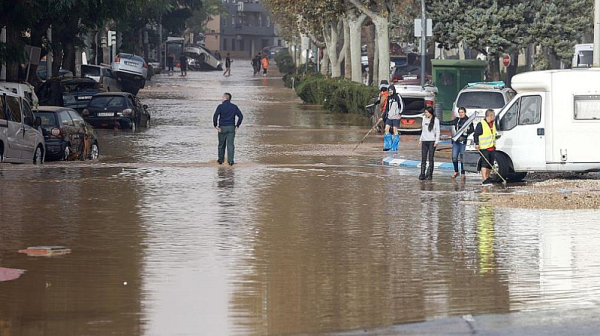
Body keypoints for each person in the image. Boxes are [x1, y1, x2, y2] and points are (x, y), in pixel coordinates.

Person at [440, 106, 474, 179]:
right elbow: (449, 122)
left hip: (463, 141)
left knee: (462, 158)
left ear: (465, 112)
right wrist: (439, 122)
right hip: (456, 141)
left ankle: (463, 173)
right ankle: (456, 171)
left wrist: (467, 131)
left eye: (462, 112)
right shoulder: (457, 120)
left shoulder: (468, 120)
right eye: (459, 112)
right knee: (454, 157)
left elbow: (472, 129)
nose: (461, 114)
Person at [213, 92, 244, 166]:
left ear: (225, 98)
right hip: (231, 128)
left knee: (221, 145)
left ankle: (220, 160)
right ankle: (230, 162)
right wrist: (237, 125)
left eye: (222, 97)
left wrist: (215, 125)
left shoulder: (220, 106)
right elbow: (241, 116)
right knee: (230, 145)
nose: (221, 98)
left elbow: (215, 116)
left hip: (222, 128)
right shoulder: (234, 107)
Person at [474, 109, 497, 185]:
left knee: (490, 163)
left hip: (492, 147)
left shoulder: (493, 124)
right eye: (493, 115)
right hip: (484, 147)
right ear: (490, 115)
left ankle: (487, 177)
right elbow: (476, 134)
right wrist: (476, 143)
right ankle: (484, 179)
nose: (494, 116)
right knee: (485, 163)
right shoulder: (481, 124)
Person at [379, 84, 403, 151]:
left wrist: (400, 114)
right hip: (389, 117)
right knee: (386, 129)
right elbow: (386, 109)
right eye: (389, 90)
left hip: (396, 117)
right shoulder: (388, 98)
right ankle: (387, 146)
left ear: (394, 90)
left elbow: (402, 105)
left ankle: (394, 147)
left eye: (391, 90)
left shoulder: (398, 96)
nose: (390, 91)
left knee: (395, 131)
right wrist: (382, 117)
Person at [418, 106, 440, 180]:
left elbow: (437, 131)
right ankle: (422, 173)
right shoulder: (424, 119)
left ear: (430, 113)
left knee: (430, 158)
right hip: (424, 140)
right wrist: (420, 139)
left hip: (432, 141)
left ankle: (430, 174)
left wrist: (436, 141)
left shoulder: (436, 120)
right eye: (425, 112)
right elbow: (423, 130)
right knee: (423, 158)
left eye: (427, 112)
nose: (425, 114)